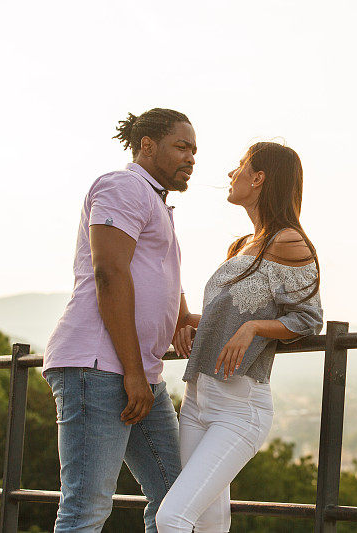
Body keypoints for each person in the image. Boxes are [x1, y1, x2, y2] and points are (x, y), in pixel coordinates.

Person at [42, 108, 200, 532]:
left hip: (137, 372)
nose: (191, 158)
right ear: (147, 146)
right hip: (99, 368)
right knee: (86, 508)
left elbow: (163, 286)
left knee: (177, 499)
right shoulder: (122, 186)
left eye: (194, 150)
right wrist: (133, 372)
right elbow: (108, 273)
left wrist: (233, 322)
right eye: (181, 146)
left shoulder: (158, 204)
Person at [155, 142, 323, 532]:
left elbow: (309, 318)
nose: (232, 175)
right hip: (197, 402)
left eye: (241, 167)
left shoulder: (289, 242)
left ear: (259, 178)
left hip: (239, 408)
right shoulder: (240, 247)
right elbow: (226, 317)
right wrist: (192, 324)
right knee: (208, 526)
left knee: (172, 518)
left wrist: (253, 328)